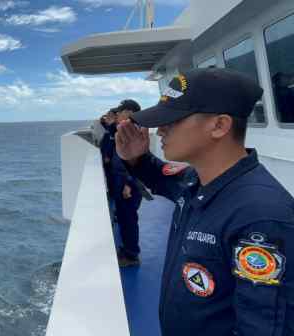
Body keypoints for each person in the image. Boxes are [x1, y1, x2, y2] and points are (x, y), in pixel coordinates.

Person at [115, 68, 294, 335]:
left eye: (172, 120)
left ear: (219, 125)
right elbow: (163, 178)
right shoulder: (197, 182)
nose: (160, 129)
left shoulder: (261, 216)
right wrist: (136, 159)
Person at [112, 100, 144, 267]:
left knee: (129, 220)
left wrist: (127, 184)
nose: (118, 114)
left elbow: (135, 161)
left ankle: (131, 256)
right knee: (125, 220)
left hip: (128, 184)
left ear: (130, 112)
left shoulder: (134, 132)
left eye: (121, 111)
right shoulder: (127, 129)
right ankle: (127, 250)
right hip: (123, 181)